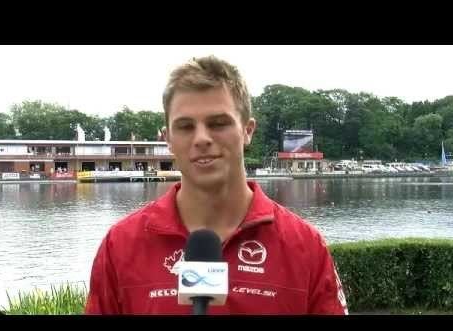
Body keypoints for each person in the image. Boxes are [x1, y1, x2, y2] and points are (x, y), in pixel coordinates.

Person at [85, 55, 348, 315]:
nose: (201, 138)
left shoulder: (305, 247)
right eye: (186, 126)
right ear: (168, 139)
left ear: (248, 130)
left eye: (218, 123)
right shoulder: (120, 246)